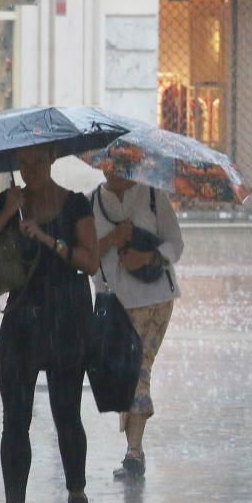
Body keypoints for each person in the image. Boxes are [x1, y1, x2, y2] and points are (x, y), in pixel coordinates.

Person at [0, 144, 100, 503]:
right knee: (15, 418)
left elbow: (89, 261)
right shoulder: (8, 201)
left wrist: (46, 238)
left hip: (67, 317)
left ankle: (77, 500)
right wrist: (6, 212)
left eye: (36, 162)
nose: (29, 170)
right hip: (22, 320)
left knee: (67, 414)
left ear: (51, 160)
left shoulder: (75, 204)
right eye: (22, 163)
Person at [90, 171, 183, 479]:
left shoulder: (153, 196)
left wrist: (147, 257)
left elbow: (175, 244)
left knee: (138, 368)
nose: (111, 170)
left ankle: (134, 452)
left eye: (119, 163)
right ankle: (134, 449)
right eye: (107, 163)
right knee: (122, 372)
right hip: (113, 303)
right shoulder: (92, 201)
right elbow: (87, 258)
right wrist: (113, 240)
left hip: (154, 300)